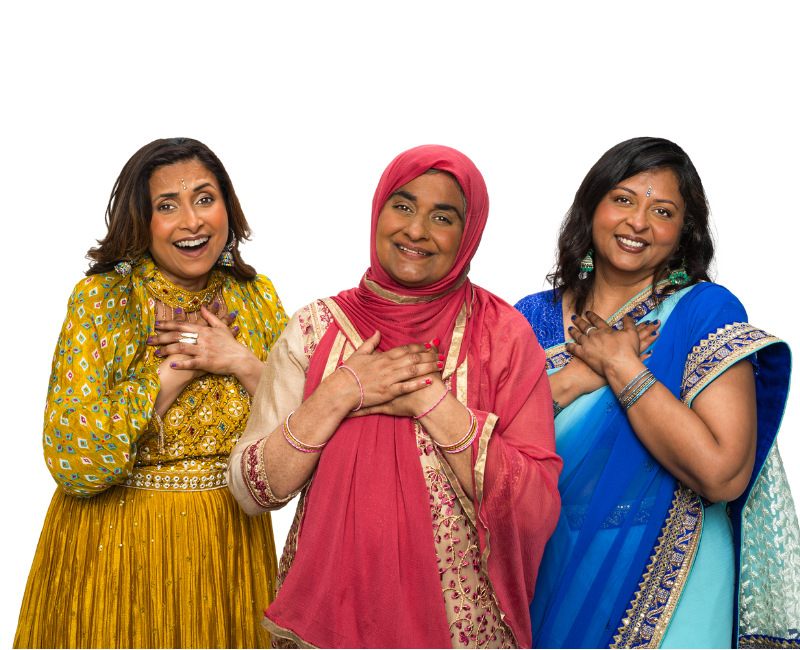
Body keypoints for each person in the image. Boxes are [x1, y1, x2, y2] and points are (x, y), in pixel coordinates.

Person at [225, 144, 562, 648]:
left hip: (460, 631)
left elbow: (536, 505)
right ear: (378, 210)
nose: (416, 230)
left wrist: (433, 405)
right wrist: (341, 391)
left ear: (468, 235)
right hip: (325, 628)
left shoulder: (504, 336)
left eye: (442, 216)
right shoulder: (316, 330)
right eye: (402, 206)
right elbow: (253, 492)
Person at [515, 136, 797, 648]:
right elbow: (483, 455)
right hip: (547, 567)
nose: (638, 222)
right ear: (591, 206)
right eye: (623, 199)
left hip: (673, 571)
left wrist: (623, 366)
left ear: (683, 233)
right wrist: (574, 379)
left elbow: (722, 474)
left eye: (661, 210)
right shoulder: (526, 320)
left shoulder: (702, 312)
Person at [14, 137, 287, 648]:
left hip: (228, 550)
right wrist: (171, 373)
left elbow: (304, 434)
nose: (192, 221)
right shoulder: (103, 301)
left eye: (205, 199)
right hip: (115, 552)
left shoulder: (255, 298)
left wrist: (239, 361)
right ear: (141, 221)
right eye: (168, 206)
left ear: (227, 206)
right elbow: (74, 458)